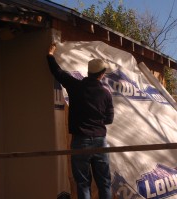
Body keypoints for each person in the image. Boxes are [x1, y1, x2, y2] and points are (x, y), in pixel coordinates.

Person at [46, 43, 114, 199]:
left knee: (83, 183)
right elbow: (109, 119)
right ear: (102, 74)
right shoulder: (106, 94)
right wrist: (96, 120)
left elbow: (57, 72)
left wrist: (50, 55)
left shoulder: (75, 86)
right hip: (100, 142)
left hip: (80, 141)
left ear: (89, 72)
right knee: (104, 183)